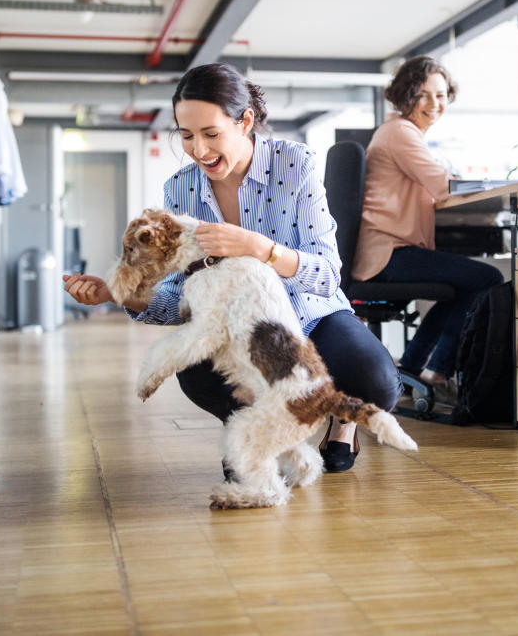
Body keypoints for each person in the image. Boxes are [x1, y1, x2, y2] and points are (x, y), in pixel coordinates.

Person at [63, 63, 399, 473]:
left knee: (376, 381)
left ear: (245, 121)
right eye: (186, 136)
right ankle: (250, 430)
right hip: (238, 329)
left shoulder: (295, 165)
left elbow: (327, 275)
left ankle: (342, 425)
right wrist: (120, 293)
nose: (199, 150)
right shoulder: (180, 189)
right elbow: (176, 299)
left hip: (310, 314)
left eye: (211, 134)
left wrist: (260, 248)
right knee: (197, 372)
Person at [351, 56, 503, 402]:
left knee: (461, 287)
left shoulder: (399, 133)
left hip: (389, 250)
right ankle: (436, 372)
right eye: (424, 95)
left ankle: (412, 368)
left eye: (441, 95)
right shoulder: (400, 132)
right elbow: (442, 185)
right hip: (389, 253)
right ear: (406, 96)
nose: (434, 105)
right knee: (487, 279)